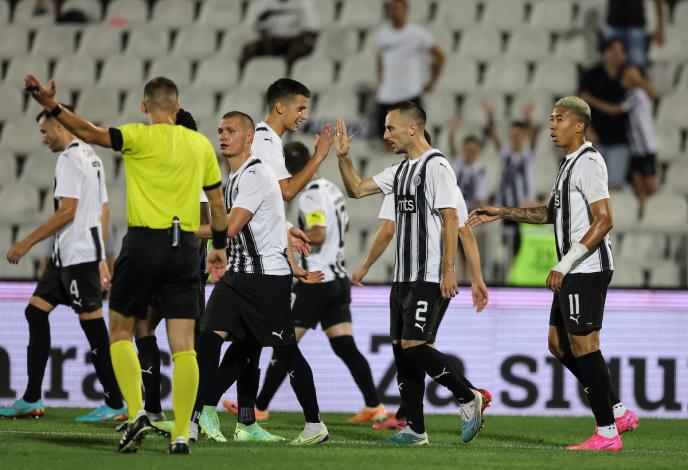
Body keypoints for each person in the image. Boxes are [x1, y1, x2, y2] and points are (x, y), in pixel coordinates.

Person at [23, 74, 229, 455]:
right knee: (184, 346)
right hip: (184, 248)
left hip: (142, 245)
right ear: (177, 107)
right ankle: (181, 435)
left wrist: (52, 106)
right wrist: (218, 246)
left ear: (144, 106)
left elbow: (89, 132)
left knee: (120, 332)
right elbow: (217, 205)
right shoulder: (201, 145)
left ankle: (136, 414)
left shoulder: (137, 136)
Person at [467, 96, 639, 452]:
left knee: (585, 346)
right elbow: (549, 213)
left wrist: (564, 262)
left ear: (579, 125)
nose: (551, 125)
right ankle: (617, 411)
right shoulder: (567, 165)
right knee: (558, 344)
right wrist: (502, 212)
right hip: (573, 267)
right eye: (550, 118)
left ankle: (607, 433)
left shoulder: (589, 162)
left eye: (559, 119)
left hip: (586, 266)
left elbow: (605, 219)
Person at [335, 102, 485, 446]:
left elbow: (451, 218)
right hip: (402, 278)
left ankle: (467, 396)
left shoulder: (437, 166)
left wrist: (448, 270)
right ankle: (415, 429)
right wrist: (343, 158)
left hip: (428, 275)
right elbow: (356, 189)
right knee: (402, 352)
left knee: (415, 346)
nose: (386, 134)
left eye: (391, 128)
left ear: (412, 128)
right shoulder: (400, 170)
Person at [191, 111, 329, 446]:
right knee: (210, 341)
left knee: (283, 351)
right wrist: (293, 254)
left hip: (265, 280)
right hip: (239, 275)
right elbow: (272, 220)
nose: (223, 136)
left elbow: (231, 227)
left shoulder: (254, 173)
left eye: (231, 130)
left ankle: (314, 424)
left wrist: (181, 230)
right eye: (220, 130)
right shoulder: (236, 175)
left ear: (249, 137)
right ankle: (199, 417)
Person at [1, 105, 125, 423]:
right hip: (68, 256)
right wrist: (103, 256)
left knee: (92, 326)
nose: (43, 138)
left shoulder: (69, 158)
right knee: (35, 312)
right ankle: (32, 398)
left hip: (78, 256)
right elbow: (104, 210)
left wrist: (27, 242)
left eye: (45, 131)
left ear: (59, 126)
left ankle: (115, 402)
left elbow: (67, 211)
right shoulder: (91, 156)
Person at [252, 141, 387, 424]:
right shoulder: (331, 188)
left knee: (284, 342)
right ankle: (374, 405)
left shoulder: (311, 195)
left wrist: (288, 234)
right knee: (345, 346)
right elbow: (344, 226)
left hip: (317, 281)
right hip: (338, 279)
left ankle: (259, 406)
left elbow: (319, 233)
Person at [582, 64, 659, 212]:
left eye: (627, 77)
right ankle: (644, 216)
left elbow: (615, 110)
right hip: (636, 150)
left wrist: (591, 99)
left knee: (652, 188)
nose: (623, 79)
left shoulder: (638, 94)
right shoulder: (629, 95)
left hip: (645, 149)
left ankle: (662, 212)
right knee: (638, 187)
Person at [374, 0, 445, 139]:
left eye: (398, 8)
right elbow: (380, 60)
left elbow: (440, 56)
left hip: (410, 94)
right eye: (392, 8)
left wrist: (432, 82)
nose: (395, 12)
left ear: (406, 10)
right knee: (387, 139)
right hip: (387, 95)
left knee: (413, 138)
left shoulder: (418, 33)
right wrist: (379, 82)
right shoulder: (382, 35)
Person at [482, 100, 537, 258]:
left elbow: (534, 136)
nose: (515, 138)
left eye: (518, 135)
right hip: (506, 206)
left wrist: (528, 118)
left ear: (523, 136)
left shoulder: (527, 156)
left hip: (522, 206)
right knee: (508, 242)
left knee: (521, 242)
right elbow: (493, 134)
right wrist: (490, 115)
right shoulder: (505, 155)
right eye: (513, 135)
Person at [240, 0, 318, 70]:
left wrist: (291, 39)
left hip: (294, 40)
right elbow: (258, 26)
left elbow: (312, 30)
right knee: (249, 49)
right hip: (271, 40)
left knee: (295, 50)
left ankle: (288, 77)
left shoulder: (304, 3)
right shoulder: (263, 3)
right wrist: (268, 38)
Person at [602, 0, 666, 68]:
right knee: (609, 68)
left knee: (636, 68)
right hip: (613, 25)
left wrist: (660, 29)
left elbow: (658, 2)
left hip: (635, 28)